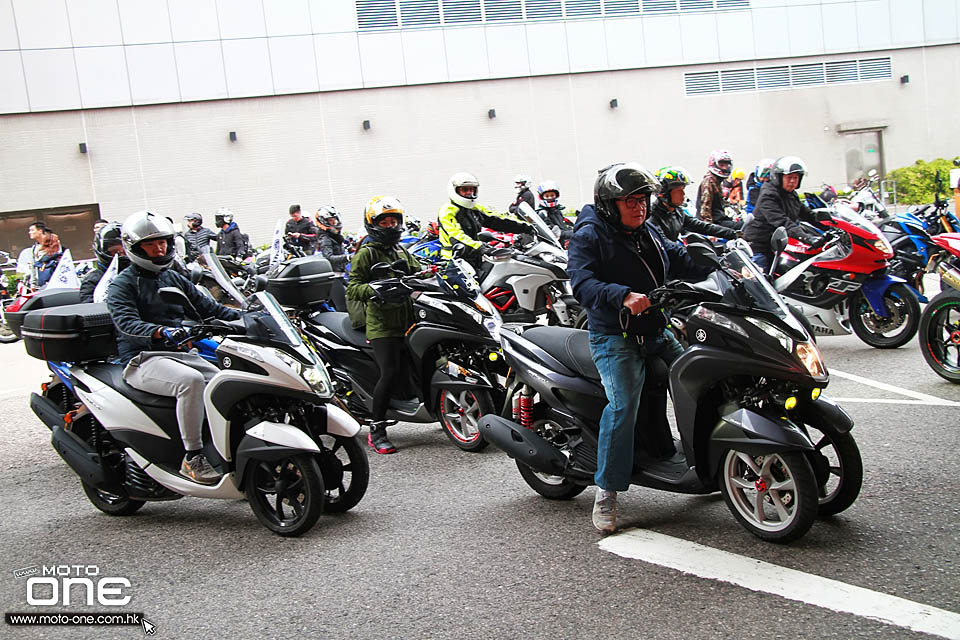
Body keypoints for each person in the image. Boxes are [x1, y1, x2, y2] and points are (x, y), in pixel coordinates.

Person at [567, 162, 712, 533]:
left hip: (657, 330)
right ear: (609, 205)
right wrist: (622, 296)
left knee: (706, 382)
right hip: (616, 337)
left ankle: (710, 459)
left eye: (643, 199)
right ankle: (607, 493)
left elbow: (676, 256)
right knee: (622, 407)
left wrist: (717, 264)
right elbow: (581, 284)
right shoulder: (589, 234)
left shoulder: (646, 229)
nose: (639, 207)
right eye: (629, 201)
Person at [106, 211, 241, 484]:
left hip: (179, 353)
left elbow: (209, 308)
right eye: (151, 244)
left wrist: (249, 314)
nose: (160, 248)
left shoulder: (172, 277)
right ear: (134, 247)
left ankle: (227, 451)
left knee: (227, 383)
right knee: (189, 382)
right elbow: (126, 324)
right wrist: (160, 331)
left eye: (164, 242)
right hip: (141, 359)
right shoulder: (122, 285)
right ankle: (192, 459)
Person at [346, 196, 421, 455]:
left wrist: (438, 271)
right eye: (385, 222)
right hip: (382, 325)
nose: (391, 226)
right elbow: (353, 287)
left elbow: (418, 272)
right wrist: (375, 289)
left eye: (394, 221)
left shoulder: (401, 250)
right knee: (389, 373)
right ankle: (377, 429)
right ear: (372, 223)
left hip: (408, 318)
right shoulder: (367, 253)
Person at [743, 156, 824, 272]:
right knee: (760, 283)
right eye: (789, 177)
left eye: (796, 177)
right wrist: (807, 238)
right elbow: (782, 222)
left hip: (778, 245)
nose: (792, 181)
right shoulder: (769, 195)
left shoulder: (791, 194)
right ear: (779, 178)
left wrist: (832, 225)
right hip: (760, 245)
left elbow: (808, 215)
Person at [438, 172, 534, 264]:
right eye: (465, 190)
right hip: (454, 261)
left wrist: (528, 227)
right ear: (455, 190)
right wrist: (480, 247)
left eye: (472, 189)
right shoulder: (447, 211)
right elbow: (456, 236)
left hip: (475, 258)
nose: (469, 192)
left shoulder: (475, 208)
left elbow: (498, 220)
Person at [649, 166, 738, 243]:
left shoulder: (677, 213)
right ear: (664, 192)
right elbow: (665, 245)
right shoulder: (652, 218)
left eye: (683, 189)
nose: (683, 194)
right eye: (679, 190)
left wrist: (731, 233)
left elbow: (701, 226)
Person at [80, 222, 128, 302]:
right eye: (115, 251)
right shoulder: (92, 281)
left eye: (125, 249)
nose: (122, 254)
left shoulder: (143, 274)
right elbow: (90, 310)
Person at [697, 149, 742, 230]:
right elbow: (705, 209)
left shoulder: (717, 181)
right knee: (743, 227)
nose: (725, 167)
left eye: (727, 164)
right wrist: (710, 231)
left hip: (720, 219)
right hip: (715, 223)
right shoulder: (709, 182)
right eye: (722, 164)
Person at [314, 206, 349, 311]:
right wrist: (348, 257)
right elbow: (329, 257)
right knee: (343, 308)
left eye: (335, 220)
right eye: (331, 220)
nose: (334, 223)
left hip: (341, 274)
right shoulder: (325, 238)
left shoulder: (335, 236)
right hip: (333, 277)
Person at [535, 180, 576, 244]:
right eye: (547, 196)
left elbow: (562, 227)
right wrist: (574, 232)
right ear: (541, 197)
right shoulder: (542, 213)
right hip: (552, 246)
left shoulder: (557, 210)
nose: (550, 198)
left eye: (552, 195)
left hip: (561, 243)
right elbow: (553, 233)